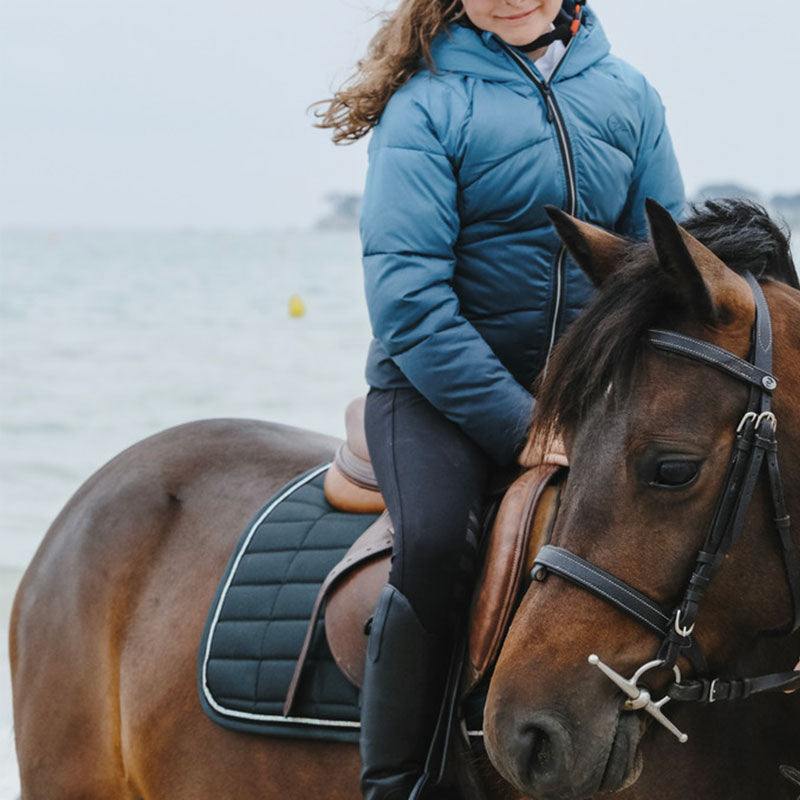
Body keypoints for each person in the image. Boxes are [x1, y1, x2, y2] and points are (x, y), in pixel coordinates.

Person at [317, 1, 684, 797]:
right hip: (432, 394)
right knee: (440, 541)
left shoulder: (629, 96)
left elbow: (663, 263)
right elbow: (409, 300)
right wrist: (521, 426)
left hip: (588, 394)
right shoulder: (427, 104)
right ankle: (401, 780)